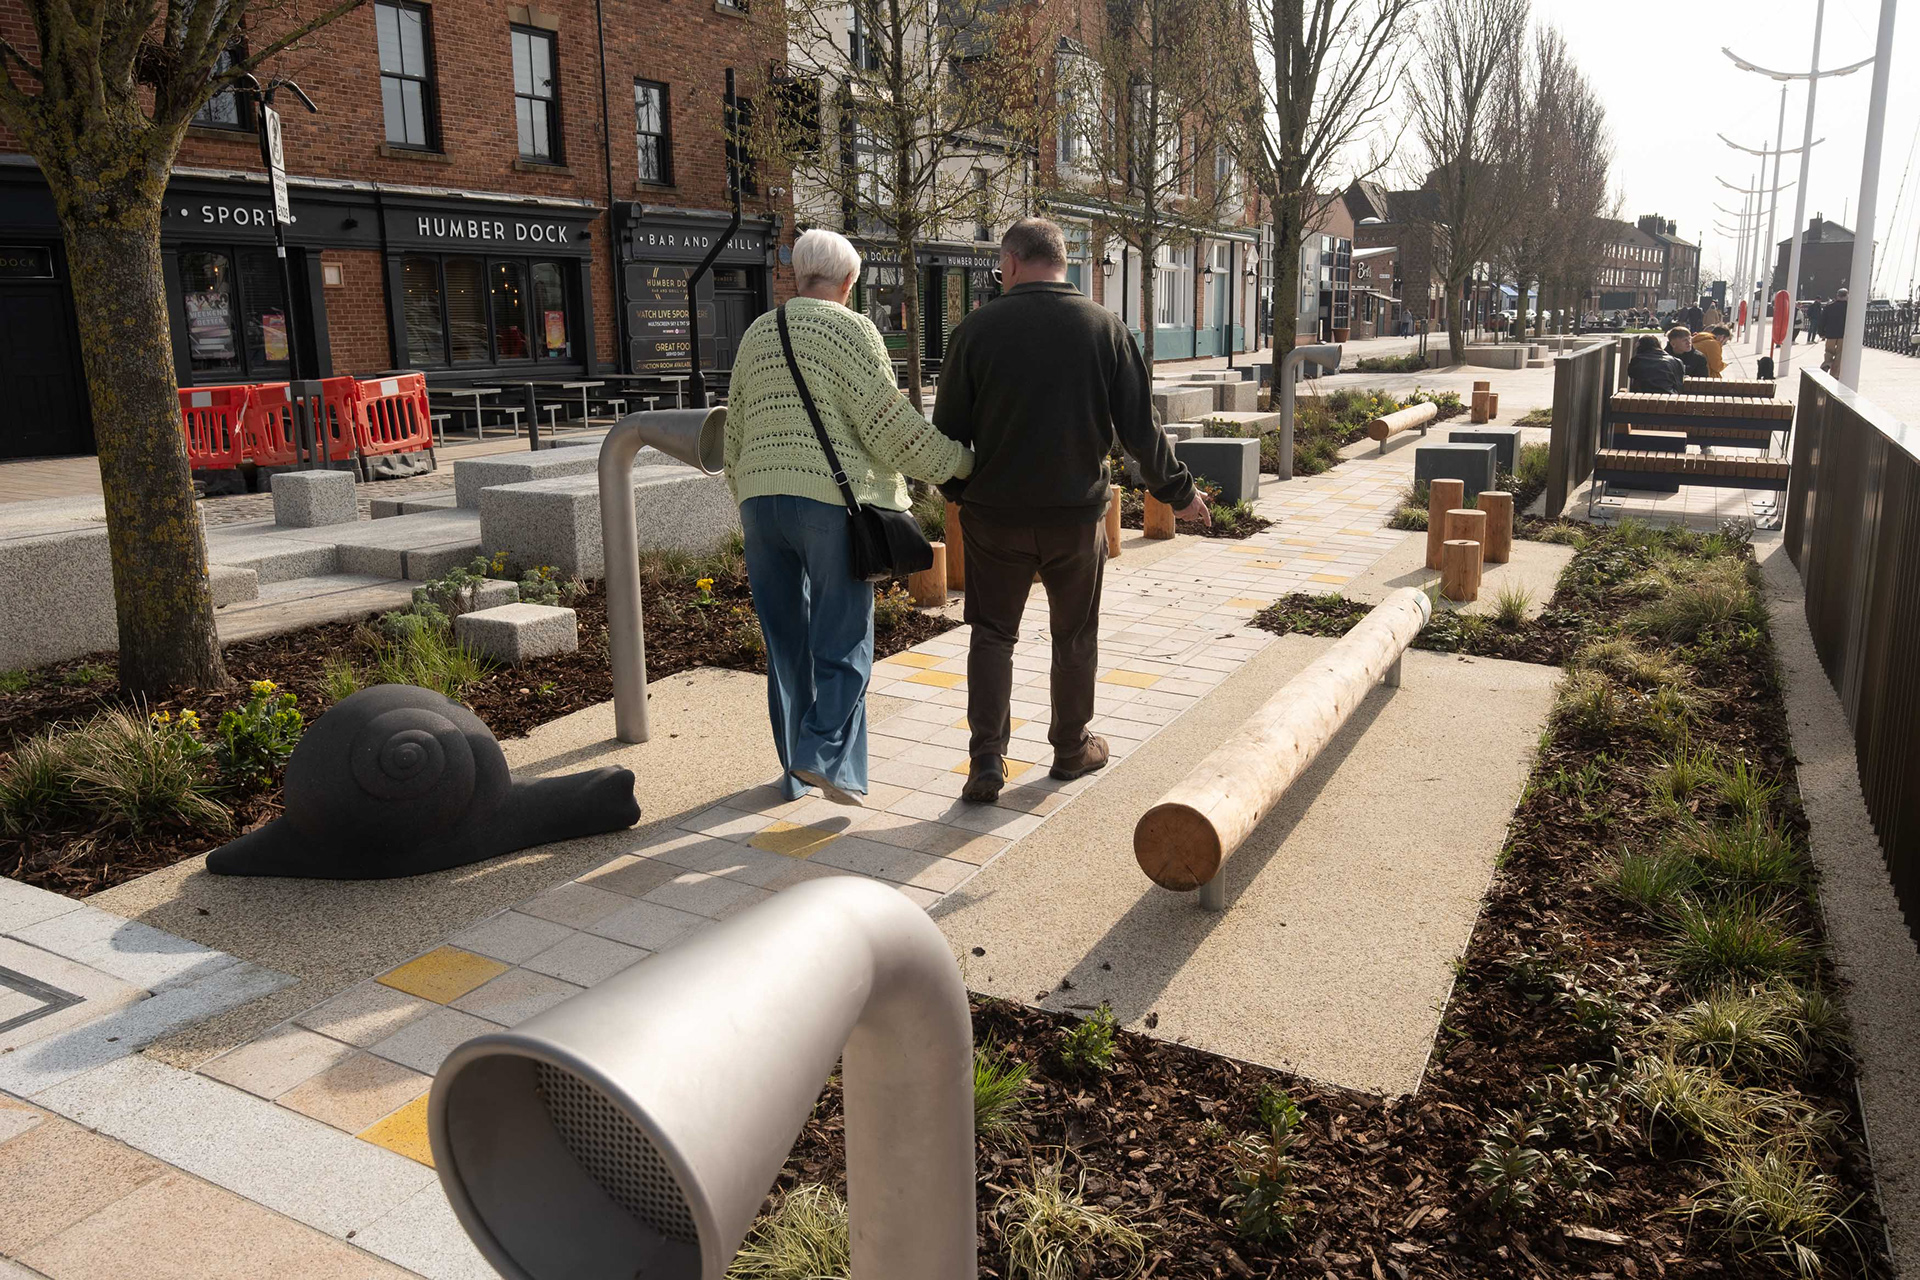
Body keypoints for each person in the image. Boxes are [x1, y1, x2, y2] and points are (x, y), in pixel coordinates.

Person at [934, 218, 1208, 803]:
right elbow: (1141, 429)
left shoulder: (975, 331)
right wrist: (1179, 494)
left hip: (995, 516)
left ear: (1009, 264)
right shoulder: (1104, 327)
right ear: (1066, 263)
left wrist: (960, 496)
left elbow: (946, 436)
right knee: (1075, 634)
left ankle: (986, 761)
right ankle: (1069, 747)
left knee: (991, 634)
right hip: (1076, 516)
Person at [723, 228, 975, 805]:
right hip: (827, 507)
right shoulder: (853, 329)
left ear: (795, 275)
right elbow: (890, 426)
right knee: (843, 639)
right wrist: (957, 462)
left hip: (760, 508)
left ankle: (797, 772)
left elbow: (732, 434)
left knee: (784, 644)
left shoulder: (759, 332)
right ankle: (822, 758)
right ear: (849, 282)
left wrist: (751, 495)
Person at [1819, 289, 1848, 372]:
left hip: (1830, 333)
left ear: (1837, 296)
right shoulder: (1849, 308)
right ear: (1846, 296)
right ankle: (1835, 373)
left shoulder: (1829, 307)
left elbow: (1822, 320)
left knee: (1829, 351)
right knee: (1840, 354)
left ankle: (1827, 363)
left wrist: (1821, 333)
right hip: (1843, 334)